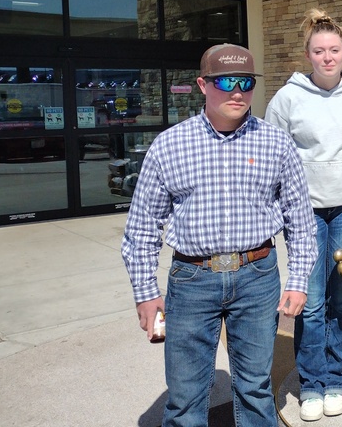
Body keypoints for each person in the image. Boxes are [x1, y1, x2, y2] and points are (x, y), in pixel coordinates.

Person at [121, 43, 317, 427]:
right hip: (192, 280)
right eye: (225, 81)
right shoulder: (170, 145)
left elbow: (300, 219)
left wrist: (298, 280)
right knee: (185, 396)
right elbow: (143, 226)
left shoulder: (276, 143)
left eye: (246, 81)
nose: (237, 91)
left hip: (257, 275)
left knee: (256, 389)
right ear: (202, 84)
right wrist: (145, 292)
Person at [265, 9, 342, 422]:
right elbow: (276, 152)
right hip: (304, 210)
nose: (327, 57)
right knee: (308, 301)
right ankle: (311, 383)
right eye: (318, 51)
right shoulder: (288, 98)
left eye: (334, 50)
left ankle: (336, 378)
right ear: (308, 55)